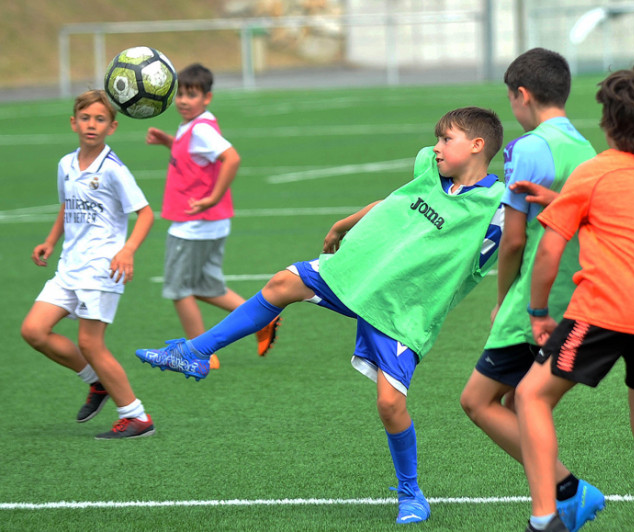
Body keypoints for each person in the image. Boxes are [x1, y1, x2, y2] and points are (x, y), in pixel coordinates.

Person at [135, 107, 505, 525]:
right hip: (358, 271)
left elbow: (517, 245)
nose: (436, 147)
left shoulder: (496, 206)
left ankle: (410, 492)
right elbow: (391, 201)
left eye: (447, 139)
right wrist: (342, 224)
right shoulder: (428, 169)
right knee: (281, 284)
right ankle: (195, 352)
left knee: (389, 404)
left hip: (402, 308)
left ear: (477, 146)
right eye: (436, 139)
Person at [514, 61, 634, 532]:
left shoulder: (594, 172)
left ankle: (544, 516)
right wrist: (564, 198)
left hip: (610, 308)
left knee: (531, 395)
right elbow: (625, 212)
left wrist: (537, 313)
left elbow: (550, 250)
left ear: (608, 121)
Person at [458, 48, 604, 532]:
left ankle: (563, 494)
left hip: (533, 300)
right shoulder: (587, 151)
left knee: (478, 401)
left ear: (522, 96)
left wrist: (504, 298)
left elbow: (514, 238)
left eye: (510, 99)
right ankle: (561, 496)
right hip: (576, 292)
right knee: (523, 400)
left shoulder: (527, 149)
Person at [20, 90, 156, 439]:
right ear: (73, 122)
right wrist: (51, 241)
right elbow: (67, 205)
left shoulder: (114, 170)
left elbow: (145, 213)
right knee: (34, 331)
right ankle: (96, 382)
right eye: (85, 118)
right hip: (70, 265)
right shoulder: (65, 164)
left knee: (91, 343)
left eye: (99, 119)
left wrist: (127, 251)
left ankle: (136, 417)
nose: (91, 125)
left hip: (102, 267)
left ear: (112, 127)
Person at [146, 63, 281, 367]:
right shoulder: (193, 125)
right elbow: (196, 157)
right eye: (179, 94)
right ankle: (262, 320)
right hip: (208, 224)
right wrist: (169, 142)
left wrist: (212, 198)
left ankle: (199, 355)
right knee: (206, 288)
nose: (182, 100)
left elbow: (231, 158)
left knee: (179, 290)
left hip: (194, 226)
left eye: (191, 95)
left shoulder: (202, 128)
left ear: (207, 98)